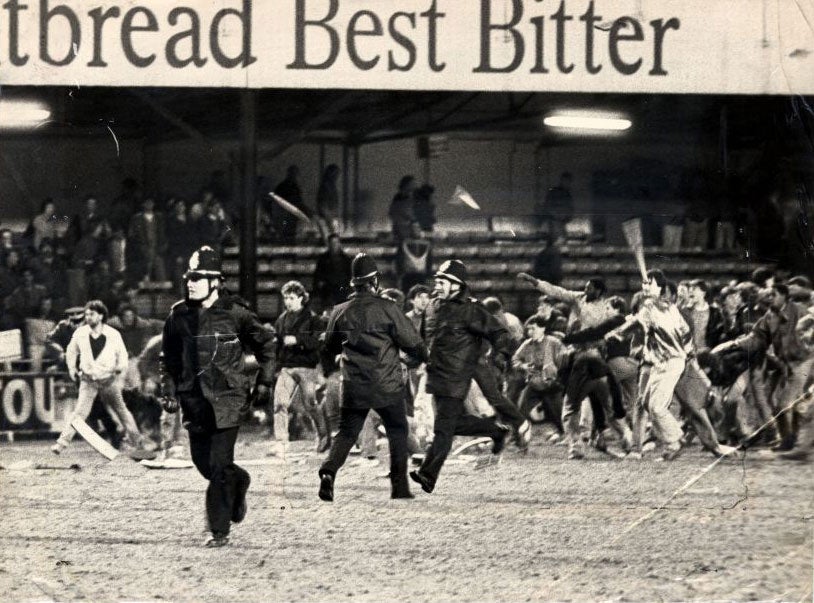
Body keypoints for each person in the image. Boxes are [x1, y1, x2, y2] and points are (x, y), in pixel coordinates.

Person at [159, 245, 276, 547]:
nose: (190, 283)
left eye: (198, 277)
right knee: (204, 465)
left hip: (228, 400)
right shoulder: (178, 316)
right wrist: (169, 390)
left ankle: (218, 530)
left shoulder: (236, 313)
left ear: (216, 282)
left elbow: (267, 346)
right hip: (195, 403)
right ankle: (241, 480)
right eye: (189, 278)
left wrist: (264, 382)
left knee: (220, 465)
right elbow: (169, 360)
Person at [318, 253, 428, 502]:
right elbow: (414, 344)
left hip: (354, 384)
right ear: (375, 281)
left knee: (346, 433)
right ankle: (399, 488)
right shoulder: (389, 308)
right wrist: (422, 357)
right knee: (398, 430)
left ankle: (328, 471)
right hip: (386, 384)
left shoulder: (339, 311)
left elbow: (328, 348)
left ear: (354, 283)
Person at [410, 260, 515, 495]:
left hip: (456, 377)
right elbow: (422, 339)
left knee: (443, 430)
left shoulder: (472, 310)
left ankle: (428, 475)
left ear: (456, 285)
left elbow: (500, 333)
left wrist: (501, 354)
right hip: (436, 375)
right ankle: (496, 430)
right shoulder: (432, 307)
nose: (437, 285)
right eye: (437, 280)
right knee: (450, 425)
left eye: (442, 281)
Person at [51, 300, 148, 456]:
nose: (88, 317)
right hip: (88, 380)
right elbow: (71, 351)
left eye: (92, 314)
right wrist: (71, 368)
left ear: (101, 315)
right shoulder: (80, 333)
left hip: (108, 379)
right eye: (87, 314)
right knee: (79, 413)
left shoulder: (113, 334)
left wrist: (120, 368)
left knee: (122, 411)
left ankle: (138, 442)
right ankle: (61, 443)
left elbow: (122, 354)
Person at [271, 280, 331, 455]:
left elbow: (319, 342)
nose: (288, 301)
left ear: (301, 298)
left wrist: (299, 341)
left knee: (311, 404)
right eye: (286, 298)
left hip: (307, 367)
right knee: (279, 403)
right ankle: (281, 442)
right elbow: (277, 344)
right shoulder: (281, 320)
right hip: (287, 368)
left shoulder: (313, 319)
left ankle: (324, 437)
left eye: (291, 297)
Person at [312, 234, 353, 313]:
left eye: (336, 242)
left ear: (339, 244)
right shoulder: (323, 259)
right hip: (327, 292)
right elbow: (317, 276)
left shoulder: (346, 259)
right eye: (332, 243)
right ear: (329, 244)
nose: (334, 245)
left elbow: (350, 276)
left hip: (342, 291)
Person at [316, 164, 341, 242]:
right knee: (331, 240)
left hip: (328, 218)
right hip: (328, 218)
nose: (337, 177)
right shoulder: (327, 187)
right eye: (336, 174)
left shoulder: (328, 186)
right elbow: (322, 204)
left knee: (330, 240)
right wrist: (329, 217)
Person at [389, 175, 417, 243]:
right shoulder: (400, 199)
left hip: (406, 231)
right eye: (412, 184)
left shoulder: (411, 198)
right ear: (406, 185)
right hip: (402, 231)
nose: (414, 186)